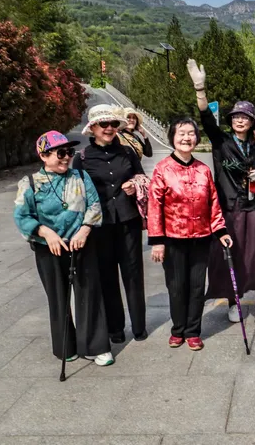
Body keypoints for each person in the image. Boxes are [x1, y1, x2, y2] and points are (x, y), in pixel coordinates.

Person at [13, 131, 114, 366]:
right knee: (57, 297)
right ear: (43, 155)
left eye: (69, 152)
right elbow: (22, 216)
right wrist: (45, 232)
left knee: (89, 293)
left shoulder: (81, 176)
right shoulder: (30, 183)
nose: (67, 157)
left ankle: (96, 346)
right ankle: (65, 346)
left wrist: (85, 230)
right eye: (60, 153)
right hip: (49, 248)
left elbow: (94, 205)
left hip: (81, 243)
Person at [186, 59, 255, 323]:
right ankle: (233, 301)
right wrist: (200, 89)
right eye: (236, 117)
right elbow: (205, 118)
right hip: (227, 207)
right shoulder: (221, 141)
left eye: (244, 117)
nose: (239, 120)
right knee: (229, 254)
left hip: (252, 206)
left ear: (252, 122)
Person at [148, 117, 234, 351]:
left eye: (191, 133)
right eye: (181, 133)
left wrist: (220, 230)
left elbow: (213, 203)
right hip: (173, 239)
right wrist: (157, 241)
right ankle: (178, 329)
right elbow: (154, 206)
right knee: (177, 287)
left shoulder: (203, 170)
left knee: (197, 287)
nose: (186, 138)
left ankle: (193, 331)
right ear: (173, 138)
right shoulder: (162, 169)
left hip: (201, 239)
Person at [73, 104, 148, 344]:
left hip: (128, 220)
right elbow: (76, 193)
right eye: (103, 124)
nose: (109, 128)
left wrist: (135, 185)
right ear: (93, 127)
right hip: (100, 225)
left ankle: (139, 326)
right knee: (107, 276)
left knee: (133, 274)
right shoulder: (82, 158)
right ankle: (115, 328)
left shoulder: (127, 152)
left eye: (113, 124)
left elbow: (141, 176)